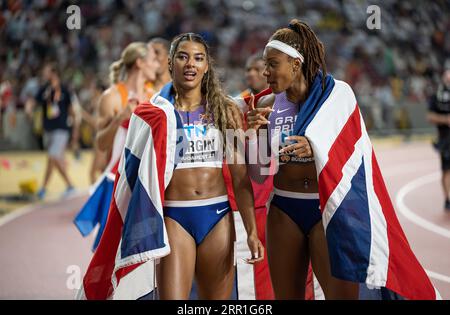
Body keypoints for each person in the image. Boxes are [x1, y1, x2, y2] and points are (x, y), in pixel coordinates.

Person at [246, 19, 437, 300]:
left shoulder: (337, 96)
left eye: (273, 64)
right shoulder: (265, 106)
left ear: (296, 64)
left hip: (329, 209)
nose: (265, 72)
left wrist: (316, 146)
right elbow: (260, 174)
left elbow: (351, 149)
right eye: (265, 64)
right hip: (284, 209)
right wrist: (254, 136)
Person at [155, 32, 264, 299]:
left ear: (206, 66)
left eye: (198, 58)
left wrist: (252, 231)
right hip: (174, 217)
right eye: (183, 57)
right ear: (170, 63)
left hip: (217, 217)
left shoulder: (225, 110)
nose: (190, 63)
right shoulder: (156, 112)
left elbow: (239, 176)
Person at [73, 42, 159, 251]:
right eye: (153, 59)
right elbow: (100, 143)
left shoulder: (155, 96)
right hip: (118, 183)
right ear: (139, 63)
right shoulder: (112, 96)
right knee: (112, 249)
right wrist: (119, 118)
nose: (157, 65)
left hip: (148, 182)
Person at [30, 63, 79, 200]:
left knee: (53, 156)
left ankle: (63, 185)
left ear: (53, 73)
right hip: (48, 129)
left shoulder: (64, 89)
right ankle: (60, 187)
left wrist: (75, 130)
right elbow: (34, 101)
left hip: (61, 128)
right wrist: (29, 108)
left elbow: (71, 110)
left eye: (46, 72)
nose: (44, 74)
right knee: (53, 159)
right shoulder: (44, 89)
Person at [427, 68, 450, 211]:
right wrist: (446, 119)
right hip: (445, 140)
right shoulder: (437, 96)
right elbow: (430, 116)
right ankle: (448, 199)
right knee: (447, 170)